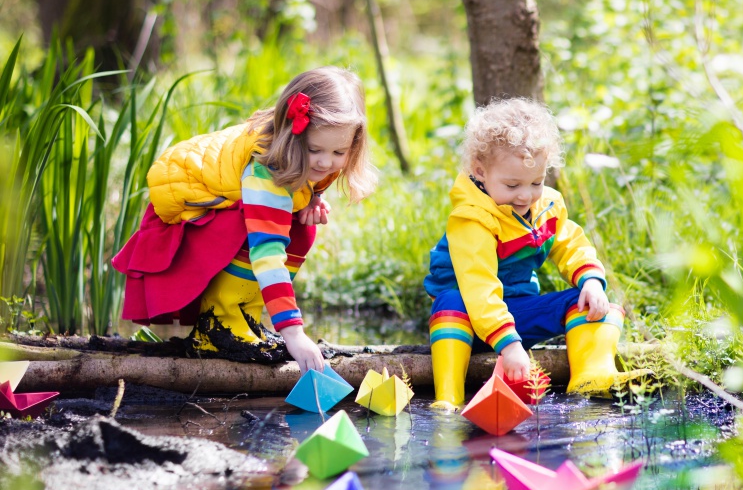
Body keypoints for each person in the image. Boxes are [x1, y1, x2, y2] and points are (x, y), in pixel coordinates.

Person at [113, 67, 377, 373]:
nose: (325, 161)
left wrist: (312, 199)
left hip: (235, 197)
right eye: (314, 149)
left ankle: (245, 319)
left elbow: (312, 175)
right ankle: (218, 325)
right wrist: (293, 332)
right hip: (190, 203)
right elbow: (268, 254)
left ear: (353, 145)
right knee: (250, 230)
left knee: (301, 229)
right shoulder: (267, 171)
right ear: (292, 137)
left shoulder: (319, 154)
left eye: (338, 152)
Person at [423, 97, 649, 409]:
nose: (526, 195)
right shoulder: (471, 219)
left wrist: (590, 281)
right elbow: (479, 288)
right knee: (452, 300)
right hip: (469, 323)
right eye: (512, 184)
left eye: (536, 182)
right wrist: (509, 343)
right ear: (480, 171)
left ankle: (593, 375)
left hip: (517, 314)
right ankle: (449, 398)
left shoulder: (546, 206)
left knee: (595, 303)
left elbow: (570, 242)